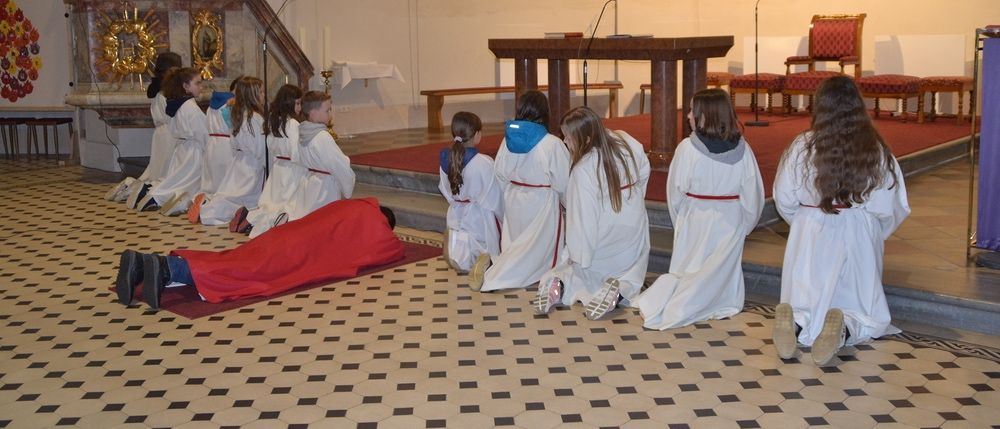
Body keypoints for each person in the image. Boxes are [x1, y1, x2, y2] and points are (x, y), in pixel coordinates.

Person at [772, 75, 910, 365]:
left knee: (805, 294)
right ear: (858, 106)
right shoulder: (875, 149)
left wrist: (802, 221)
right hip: (856, 229)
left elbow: (783, 196)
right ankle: (845, 327)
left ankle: (795, 321)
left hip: (810, 226)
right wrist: (874, 232)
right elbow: (891, 205)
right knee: (862, 307)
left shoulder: (801, 146)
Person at [114, 198, 403, 310]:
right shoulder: (374, 223)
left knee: (234, 258)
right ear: (384, 221)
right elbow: (389, 249)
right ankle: (168, 269)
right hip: (298, 253)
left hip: (286, 235)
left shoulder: (352, 204)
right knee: (245, 273)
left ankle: (144, 265)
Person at [634, 88, 765, 330]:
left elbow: (675, 192)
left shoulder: (687, 149)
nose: (688, 117)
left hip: (695, 217)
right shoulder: (743, 151)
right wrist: (744, 225)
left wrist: (682, 220)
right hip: (730, 220)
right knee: (719, 272)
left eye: (692, 112)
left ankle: (681, 303)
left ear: (707, 115)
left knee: (690, 270)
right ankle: (720, 301)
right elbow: (753, 196)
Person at [533, 106, 650, 320]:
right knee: (630, 271)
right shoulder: (624, 140)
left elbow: (583, 221)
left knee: (571, 270)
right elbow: (644, 170)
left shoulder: (583, 169)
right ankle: (620, 288)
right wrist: (633, 202)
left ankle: (557, 285)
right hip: (633, 232)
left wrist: (578, 256)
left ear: (585, 139)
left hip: (604, 242)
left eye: (568, 138)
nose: (565, 142)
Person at [474, 90, 571, 292]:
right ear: (545, 112)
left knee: (515, 244)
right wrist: (567, 204)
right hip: (541, 201)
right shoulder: (551, 143)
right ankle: (495, 272)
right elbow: (563, 182)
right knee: (538, 251)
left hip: (514, 197)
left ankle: (496, 264)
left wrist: (508, 195)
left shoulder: (506, 140)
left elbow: (499, 173)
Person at [107, 52, 181, 206]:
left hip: (160, 135)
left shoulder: (156, 88)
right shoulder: (168, 91)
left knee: (155, 172)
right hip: (171, 135)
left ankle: (129, 187)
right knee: (166, 175)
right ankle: (144, 193)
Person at [135, 67, 208, 215]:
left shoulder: (177, 104)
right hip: (193, 151)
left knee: (177, 179)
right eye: (198, 83)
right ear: (185, 86)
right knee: (186, 182)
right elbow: (203, 133)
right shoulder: (191, 107)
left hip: (182, 148)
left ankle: (154, 192)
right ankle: (156, 197)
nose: (201, 87)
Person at [195, 76, 268, 226]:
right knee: (245, 198)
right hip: (252, 164)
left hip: (239, 161)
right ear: (252, 95)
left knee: (232, 193)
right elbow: (259, 148)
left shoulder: (239, 114)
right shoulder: (254, 118)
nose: (264, 95)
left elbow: (233, 142)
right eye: (260, 92)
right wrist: (266, 163)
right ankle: (209, 211)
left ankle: (209, 205)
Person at [437, 111, 504, 272]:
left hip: (455, 211)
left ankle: (459, 258)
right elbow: (493, 196)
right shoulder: (483, 162)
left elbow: (445, 189)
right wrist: (504, 214)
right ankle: (485, 262)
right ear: (477, 135)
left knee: (460, 242)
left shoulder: (446, 159)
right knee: (485, 244)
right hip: (478, 215)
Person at [243, 84, 306, 237]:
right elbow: (296, 151)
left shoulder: (273, 120)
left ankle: (260, 221)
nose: (299, 107)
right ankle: (278, 222)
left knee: (272, 202)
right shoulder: (292, 123)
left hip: (278, 167)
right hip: (292, 168)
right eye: (297, 103)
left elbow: (270, 145)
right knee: (288, 203)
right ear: (288, 103)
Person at [285, 91, 355, 222]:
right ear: (313, 113)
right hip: (325, 188)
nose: (330, 114)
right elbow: (338, 164)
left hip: (310, 183)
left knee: (309, 219)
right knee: (324, 221)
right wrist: (347, 187)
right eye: (327, 110)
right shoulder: (322, 136)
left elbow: (298, 157)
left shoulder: (302, 132)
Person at [197, 78, 239, 201]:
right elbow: (232, 126)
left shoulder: (211, 106)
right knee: (225, 181)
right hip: (226, 145)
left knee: (211, 179)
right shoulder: (230, 105)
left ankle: (206, 199)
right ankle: (216, 204)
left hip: (211, 144)